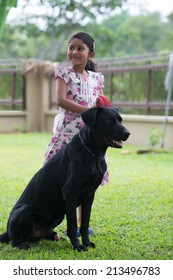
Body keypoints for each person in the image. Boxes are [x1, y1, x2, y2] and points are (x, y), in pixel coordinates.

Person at [44, 32, 109, 237]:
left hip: (90, 138)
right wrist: (89, 112)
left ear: (90, 54)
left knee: (87, 179)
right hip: (68, 134)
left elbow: (99, 102)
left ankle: (82, 225)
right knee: (60, 179)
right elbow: (61, 101)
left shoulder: (97, 78)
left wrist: (100, 106)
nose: (74, 51)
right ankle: (47, 223)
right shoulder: (64, 73)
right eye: (71, 47)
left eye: (80, 48)